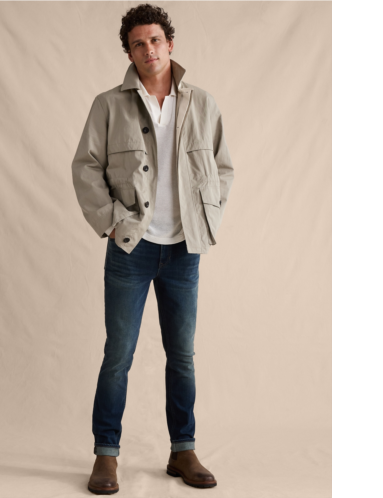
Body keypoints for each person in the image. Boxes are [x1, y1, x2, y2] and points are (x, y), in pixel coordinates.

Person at [71, 3, 234, 494]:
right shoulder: (108, 104)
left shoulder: (202, 103)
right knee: (117, 355)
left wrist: (206, 218)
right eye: (138, 43)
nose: (149, 49)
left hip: (184, 250)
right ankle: (106, 455)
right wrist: (113, 223)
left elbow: (222, 169)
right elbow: (86, 168)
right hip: (131, 249)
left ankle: (183, 450)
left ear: (170, 44)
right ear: (129, 52)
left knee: (181, 355)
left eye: (155, 40)